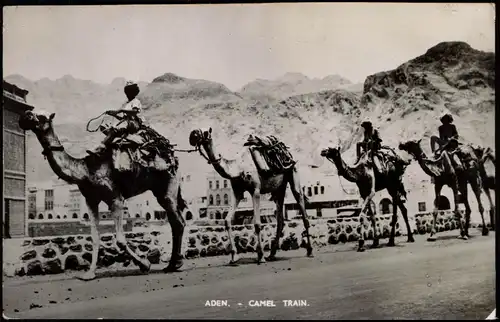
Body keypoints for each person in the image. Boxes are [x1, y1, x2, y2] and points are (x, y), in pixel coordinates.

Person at [87, 81, 146, 156]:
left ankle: (100, 148)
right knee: (105, 127)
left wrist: (120, 110)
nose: (127, 94)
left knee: (115, 129)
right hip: (126, 122)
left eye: (129, 91)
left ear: (133, 92)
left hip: (134, 123)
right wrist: (113, 114)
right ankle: (107, 145)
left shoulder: (136, 102)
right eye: (127, 92)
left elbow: (134, 111)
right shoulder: (126, 103)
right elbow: (122, 117)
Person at [356, 121, 409, 202]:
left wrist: (371, 143)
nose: (365, 128)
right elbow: (365, 141)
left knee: (379, 168)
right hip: (367, 152)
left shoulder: (375, 131)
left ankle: (383, 177)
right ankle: (357, 159)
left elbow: (378, 142)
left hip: (374, 152)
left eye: (366, 126)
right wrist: (362, 144)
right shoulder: (366, 132)